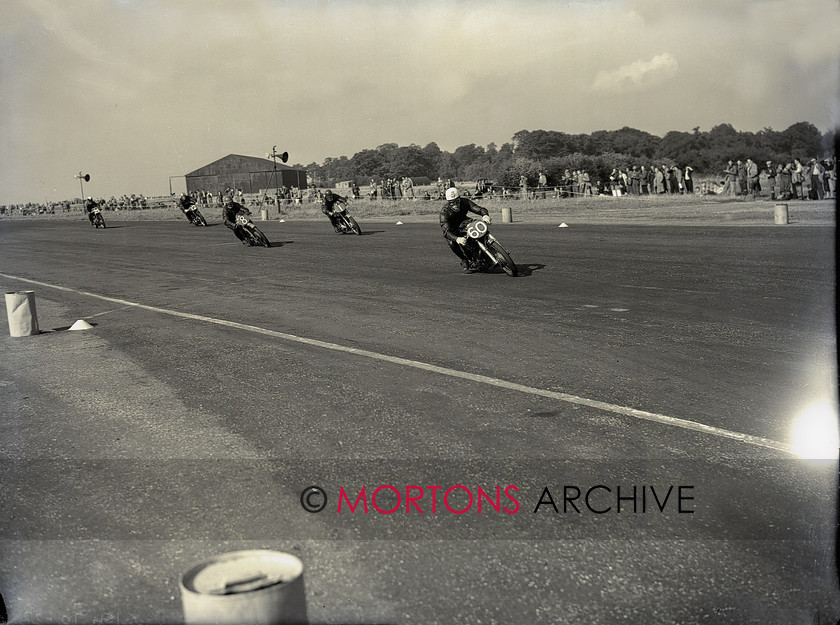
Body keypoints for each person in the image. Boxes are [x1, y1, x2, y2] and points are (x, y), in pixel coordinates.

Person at [439, 187, 491, 273]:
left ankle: (489, 245)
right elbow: (446, 231)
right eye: (452, 203)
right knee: (452, 243)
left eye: (457, 201)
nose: (455, 205)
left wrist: (485, 215)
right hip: (452, 229)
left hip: (464, 221)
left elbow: (478, 208)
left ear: (459, 199)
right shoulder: (444, 213)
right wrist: (457, 239)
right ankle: (464, 259)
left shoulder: (465, 202)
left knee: (478, 225)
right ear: (448, 203)